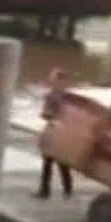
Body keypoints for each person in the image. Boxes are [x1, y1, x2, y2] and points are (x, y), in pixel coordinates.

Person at [36, 67, 75, 198]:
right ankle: (67, 189)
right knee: (60, 162)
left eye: (53, 78)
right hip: (62, 132)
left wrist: (47, 115)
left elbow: (47, 113)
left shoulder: (52, 95)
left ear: (58, 80)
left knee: (50, 162)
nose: (50, 79)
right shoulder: (67, 96)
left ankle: (45, 190)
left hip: (54, 131)